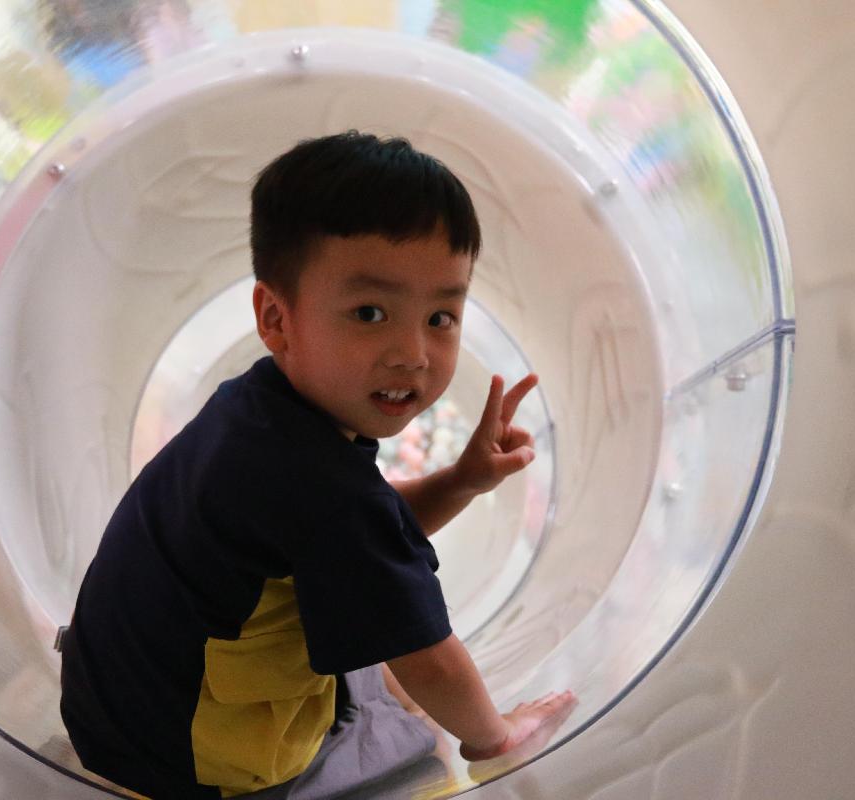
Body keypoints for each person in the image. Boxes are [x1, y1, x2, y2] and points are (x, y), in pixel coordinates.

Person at [60, 131, 576, 799]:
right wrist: (495, 740)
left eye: (442, 317)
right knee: (406, 728)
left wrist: (461, 481)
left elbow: (360, 537)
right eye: (370, 312)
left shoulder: (252, 407)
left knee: (354, 622)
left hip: (106, 703)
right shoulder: (324, 488)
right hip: (187, 760)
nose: (413, 352)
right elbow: (426, 655)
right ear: (277, 319)